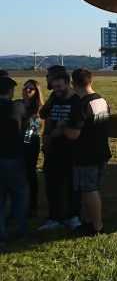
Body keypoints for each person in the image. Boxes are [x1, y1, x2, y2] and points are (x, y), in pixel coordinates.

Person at [56, 69, 111, 236]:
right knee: (93, 189)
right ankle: (89, 222)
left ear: (73, 84)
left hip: (86, 156)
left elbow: (73, 134)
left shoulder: (81, 105)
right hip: (102, 152)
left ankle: (97, 227)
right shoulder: (101, 100)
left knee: (89, 190)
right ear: (91, 81)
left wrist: (62, 127)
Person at [37, 73, 81, 231]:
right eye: (54, 87)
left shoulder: (77, 101)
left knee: (73, 186)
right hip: (53, 151)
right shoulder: (54, 98)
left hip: (72, 151)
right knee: (52, 185)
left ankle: (73, 216)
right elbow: (44, 115)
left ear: (68, 84)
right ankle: (55, 218)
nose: (56, 90)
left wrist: (62, 129)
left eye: (59, 86)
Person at [0, 76, 29, 243]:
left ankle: (1, 234)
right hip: (14, 157)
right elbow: (29, 126)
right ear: (10, 91)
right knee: (19, 197)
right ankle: (22, 230)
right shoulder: (17, 107)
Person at [20, 80, 43, 217]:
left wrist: (23, 144)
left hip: (30, 144)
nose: (27, 90)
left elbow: (31, 129)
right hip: (17, 144)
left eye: (31, 89)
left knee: (30, 174)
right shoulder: (18, 104)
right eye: (25, 87)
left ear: (36, 92)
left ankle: (32, 207)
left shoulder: (37, 108)